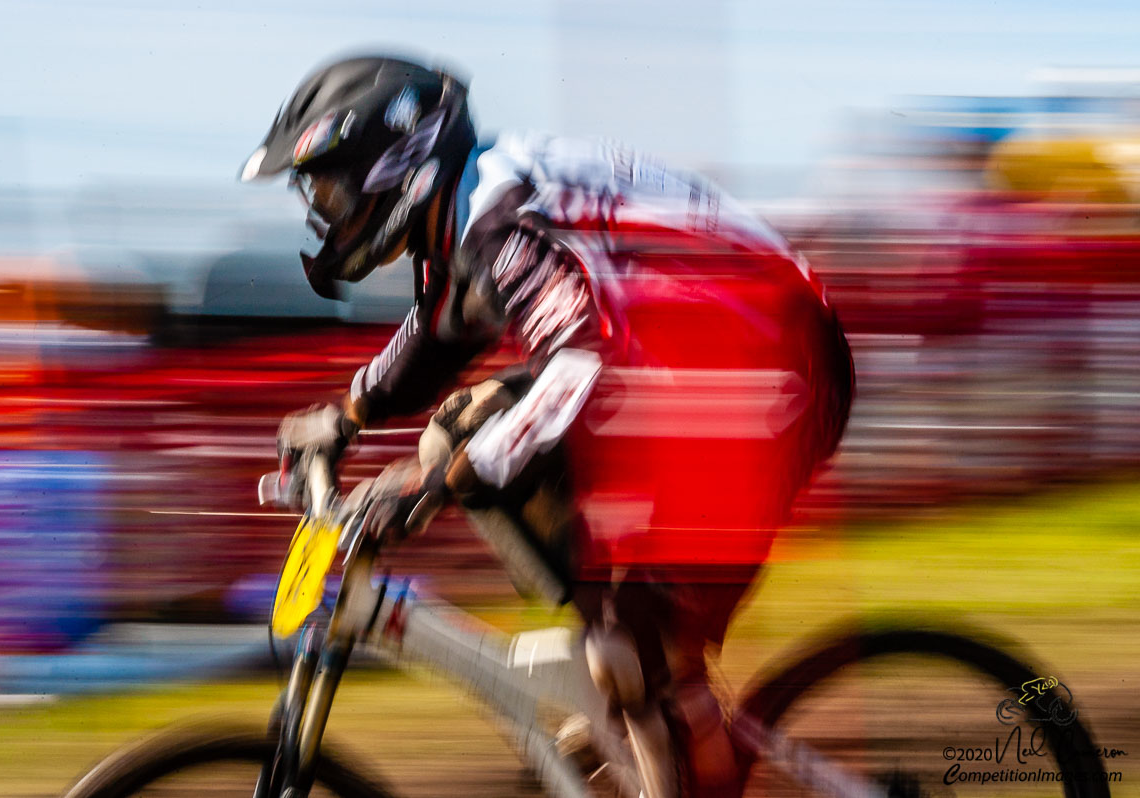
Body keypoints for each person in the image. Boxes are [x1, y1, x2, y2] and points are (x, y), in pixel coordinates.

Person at [241, 55, 854, 798]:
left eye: (333, 192)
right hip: (696, 371)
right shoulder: (470, 212)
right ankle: (626, 692)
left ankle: (656, 704)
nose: (325, 215)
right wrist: (348, 415)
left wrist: (434, 486)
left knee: (630, 638)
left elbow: (579, 364)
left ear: (395, 164)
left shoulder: (500, 219)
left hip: (774, 372)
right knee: (463, 432)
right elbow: (436, 333)